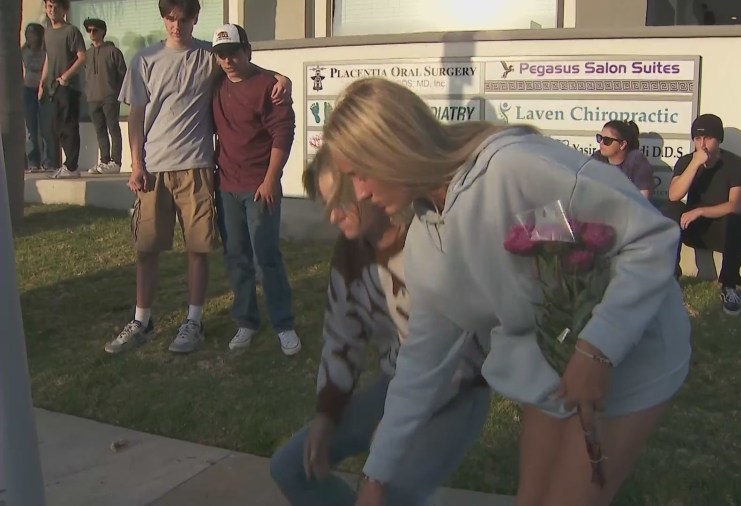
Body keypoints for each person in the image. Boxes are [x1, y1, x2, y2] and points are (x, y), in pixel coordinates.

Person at [323, 78, 691, 506]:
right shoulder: (425, 241)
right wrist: (376, 476)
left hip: (630, 355)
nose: (361, 193)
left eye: (361, 175)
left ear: (395, 149)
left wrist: (599, 348)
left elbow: (648, 238)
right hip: (549, 365)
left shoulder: (514, 169)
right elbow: (421, 363)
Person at [269, 148, 491, 505]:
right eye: (325, 203)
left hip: (457, 389)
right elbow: (341, 336)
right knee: (291, 467)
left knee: (391, 492)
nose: (331, 215)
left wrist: (390, 434)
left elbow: (455, 359)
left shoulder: (429, 240)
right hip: (397, 384)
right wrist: (327, 414)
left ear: (369, 186)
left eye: (339, 200)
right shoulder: (351, 250)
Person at [103, 0, 290, 355]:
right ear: (164, 19)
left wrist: (283, 78)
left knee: (198, 248)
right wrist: (136, 163)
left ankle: (193, 321)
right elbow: (136, 116)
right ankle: (141, 319)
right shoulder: (143, 60)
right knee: (147, 248)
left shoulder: (209, 55)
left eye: (184, 19)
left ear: (195, 19)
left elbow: (245, 67)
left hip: (197, 167)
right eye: (171, 19)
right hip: (154, 169)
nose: (177, 26)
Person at [210, 24, 300, 355]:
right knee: (237, 257)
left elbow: (283, 133)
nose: (228, 60)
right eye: (222, 55)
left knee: (267, 257)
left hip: (260, 188)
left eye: (234, 52)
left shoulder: (269, 87)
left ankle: (284, 324)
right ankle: (246, 322)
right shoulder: (215, 84)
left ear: (246, 50)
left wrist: (271, 178)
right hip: (226, 187)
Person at [663, 113, 741, 316]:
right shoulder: (686, 162)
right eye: (698, 138)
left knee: (736, 218)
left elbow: (736, 204)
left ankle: (729, 286)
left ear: (718, 140)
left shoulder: (734, 164)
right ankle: (671, 279)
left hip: (721, 228)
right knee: (671, 210)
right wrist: (694, 164)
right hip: (695, 228)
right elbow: (674, 195)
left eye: (708, 138)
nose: (702, 144)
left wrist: (700, 211)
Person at [39, 0, 86, 179]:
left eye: (57, 7)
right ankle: (67, 164)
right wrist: (42, 84)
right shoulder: (48, 32)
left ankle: (72, 167)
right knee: (57, 126)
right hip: (52, 88)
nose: (53, 10)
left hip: (68, 87)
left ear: (64, 9)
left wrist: (66, 76)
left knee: (69, 126)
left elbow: (82, 57)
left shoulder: (71, 31)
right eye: (50, 6)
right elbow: (48, 60)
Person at [83, 18, 127, 174]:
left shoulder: (113, 52)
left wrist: (121, 95)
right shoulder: (86, 54)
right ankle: (104, 161)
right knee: (100, 131)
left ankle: (116, 162)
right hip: (92, 98)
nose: (92, 33)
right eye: (89, 30)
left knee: (113, 128)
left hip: (110, 97)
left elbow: (123, 75)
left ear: (103, 31)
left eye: (95, 30)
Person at [21, 23, 55, 173]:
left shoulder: (45, 51)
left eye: (32, 33)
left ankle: (48, 161)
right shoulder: (24, 50)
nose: (29, 36)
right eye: (27, 33)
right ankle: (32, 161)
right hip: (28, 89)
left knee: (45, 127)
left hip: (43, 89)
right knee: (30, 127)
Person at [592, 120, 655, 199]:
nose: (601, 142)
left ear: (622, 144)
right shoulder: (597, 158)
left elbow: (643, 199)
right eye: (599, 138)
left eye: (606, 140)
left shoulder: (636, 160)